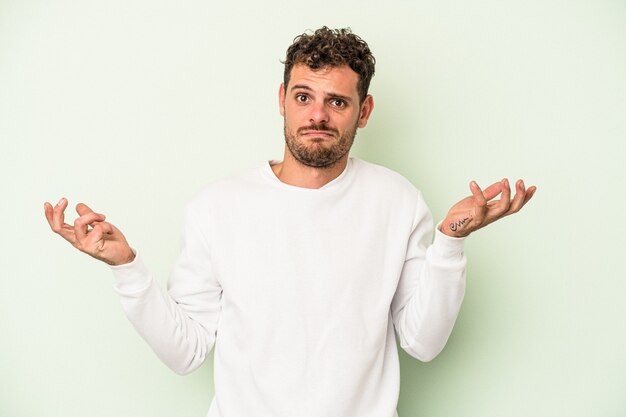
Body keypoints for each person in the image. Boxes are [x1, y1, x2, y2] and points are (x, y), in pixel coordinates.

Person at [44, 27, 536, 417]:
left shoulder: (398, 201)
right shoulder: (217, 207)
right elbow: (186, 352)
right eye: (304, 97)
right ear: (282, 99)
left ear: (363, 111)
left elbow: (423, 343)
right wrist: (126, 266)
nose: (317, 115)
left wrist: (449, 244)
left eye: (337, 102)